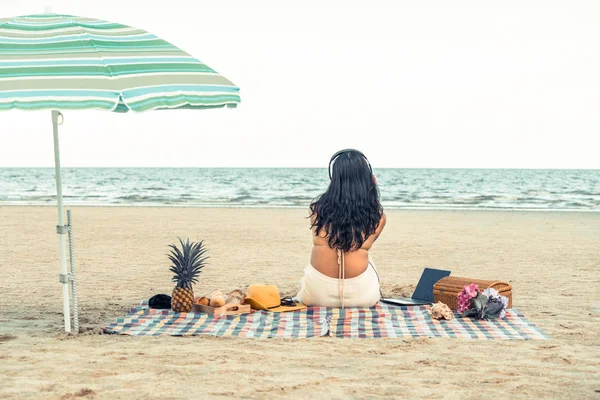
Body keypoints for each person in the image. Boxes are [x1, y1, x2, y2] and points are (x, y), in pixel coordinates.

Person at [297, 149, 386, 308]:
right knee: (364, 254)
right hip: (362, 299)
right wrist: (372, 189)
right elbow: (353, 238)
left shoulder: (316, 210)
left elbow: (337, 232)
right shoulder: (378, 217)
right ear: (368, 178)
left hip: (316, 297)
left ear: (333, 179)